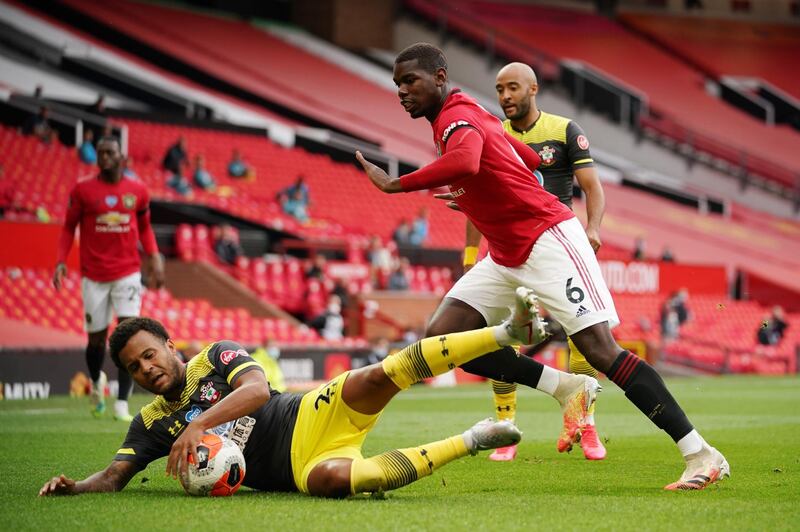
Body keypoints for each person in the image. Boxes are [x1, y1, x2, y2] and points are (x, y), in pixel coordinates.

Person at [355, 42, 729, 490]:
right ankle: (564, 387)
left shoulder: (456, 118)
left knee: (601, 351)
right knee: (442, 338)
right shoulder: (466, 113)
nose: (401, 91)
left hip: (547, 241)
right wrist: (482, 196)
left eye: (409, 81)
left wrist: (397, 184)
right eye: (397, 83)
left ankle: (702, 455)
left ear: (439, 77)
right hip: (505, 252)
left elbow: (469, 160)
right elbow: (527, 159)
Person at [38, 294, 543, 498]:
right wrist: (74, 488)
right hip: (295, 473)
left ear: (169, 345)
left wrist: (197, 424)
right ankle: (473, 439)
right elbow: (113, 476)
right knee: (342, 482)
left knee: (380, 375)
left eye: (149, 355)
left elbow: (257, 391)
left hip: (308, 414)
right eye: (134, 367)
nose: (146, 369)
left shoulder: (214, 356)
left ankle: (505, 331)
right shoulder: (149, 424)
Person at [457, 62, 609, 461]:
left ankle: (585, 423)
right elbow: (475, 202)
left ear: (533, 88)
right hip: (509, 248)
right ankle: (506, 431)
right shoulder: (491, 134)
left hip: (558, 246)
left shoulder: (564, 130)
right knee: (499, 334)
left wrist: (593, 228)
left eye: (512, 88)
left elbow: (592, 187)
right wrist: (472, 257)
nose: (505, 96)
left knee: (583, 334)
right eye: (499, 89)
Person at [53, 136, 165, 422]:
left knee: (128, 336)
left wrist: (154, 256)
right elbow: (68, 228)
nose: (103, 157)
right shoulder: (83, 190)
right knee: (96, 341)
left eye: (109, 153)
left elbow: (145, 228)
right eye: (100, 153)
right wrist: (61, 262)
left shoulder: (137, 191)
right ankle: (96, 380)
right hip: (94, 276)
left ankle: (120, 404)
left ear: (120, 157)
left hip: (127, 273)